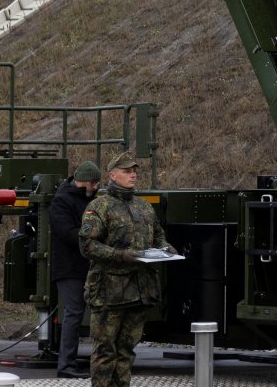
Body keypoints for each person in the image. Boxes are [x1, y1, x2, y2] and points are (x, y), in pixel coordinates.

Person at [81, 153, 169, 387]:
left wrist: (166, 248)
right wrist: (120, 255)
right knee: (105, 351)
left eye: (134, 171)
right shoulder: (100, 207)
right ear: (112, 175)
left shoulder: (144, 207)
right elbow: (87, 245)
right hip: (109, 293)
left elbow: (158, 236)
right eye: (127, 171)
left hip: (139, 291)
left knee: (126, 350)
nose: (133, 175)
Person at [49, 161, 101, 377]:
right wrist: (92, 236)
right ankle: (66, 365)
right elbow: (67, 233)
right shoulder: (62, 201)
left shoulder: (90, 200)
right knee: (73, 314)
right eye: (94, 183)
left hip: (88, 264)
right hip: (69, 267)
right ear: (85, 182)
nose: (96, 187)